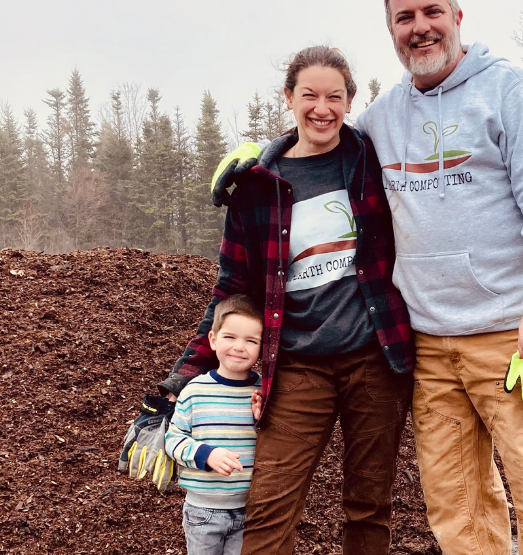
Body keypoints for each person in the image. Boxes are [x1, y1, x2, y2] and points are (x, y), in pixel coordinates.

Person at [211, 0, 523, 555]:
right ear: (390, 30)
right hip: (428, 346)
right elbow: (318, 132)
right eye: (404, 18)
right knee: (457, 505)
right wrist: (261, 155)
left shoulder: (508, 90)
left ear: (457, 17)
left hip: (509, 336)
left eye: (432, 12)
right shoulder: (385, 117)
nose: (420, 28)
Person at [163, 46, 415, 555]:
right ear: (289, 98)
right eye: (309, 95)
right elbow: (232, 289)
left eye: (334, 97)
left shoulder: (372, 161)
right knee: (271, 501)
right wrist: (179, 379)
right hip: (298, 366)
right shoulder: (256, 188)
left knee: (369, 504)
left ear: (350, 102)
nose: (322, 108)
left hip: (375, 358)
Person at [165, 295, 264, 555]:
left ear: (262, 347)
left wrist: (261, 419)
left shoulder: (262, 391)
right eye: (230, 337)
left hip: (248, 509)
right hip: (202, 511)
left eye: (251, 341)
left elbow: (275, 443)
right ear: (213, 340)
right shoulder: (194, 391)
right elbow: (172, 440)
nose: (239, 347)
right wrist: (206, 454)